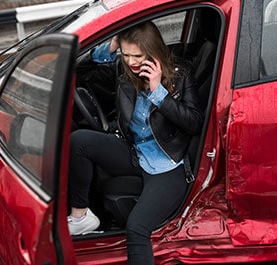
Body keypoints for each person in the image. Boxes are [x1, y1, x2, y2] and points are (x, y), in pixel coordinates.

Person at [68, 21, 203, 265]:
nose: (131, 61)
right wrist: (112, 44)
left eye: (137, 55)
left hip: (167, 166)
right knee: (79, 141)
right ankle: (81, 217)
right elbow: (82, 68)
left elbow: (194, 122)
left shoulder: (180, 75)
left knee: (137, 228)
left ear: (152, 52)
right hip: (135, 153)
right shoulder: (126, 71)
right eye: (126, 54)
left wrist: (158, 92)